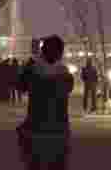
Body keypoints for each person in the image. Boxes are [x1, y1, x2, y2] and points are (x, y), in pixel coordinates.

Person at [18, 35, 74, 170]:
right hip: (58, 131)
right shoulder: (64, 74)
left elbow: (21, 86)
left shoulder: (34, 71)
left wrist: (32, 61)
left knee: (36, 165)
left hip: (37, 130)